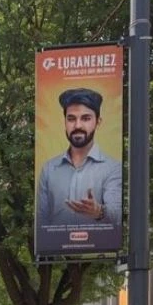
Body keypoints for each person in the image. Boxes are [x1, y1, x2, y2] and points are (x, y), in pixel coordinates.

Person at [36, 88, 122, 229]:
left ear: (98, 122)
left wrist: (99, 211)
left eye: (86, 118)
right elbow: (41, 221)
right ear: (64, 122)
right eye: (71, 119)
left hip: (99, 248)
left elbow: (117, 216)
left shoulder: (112, 168)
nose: (77, 125)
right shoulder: (49, 168)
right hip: (57, 249)